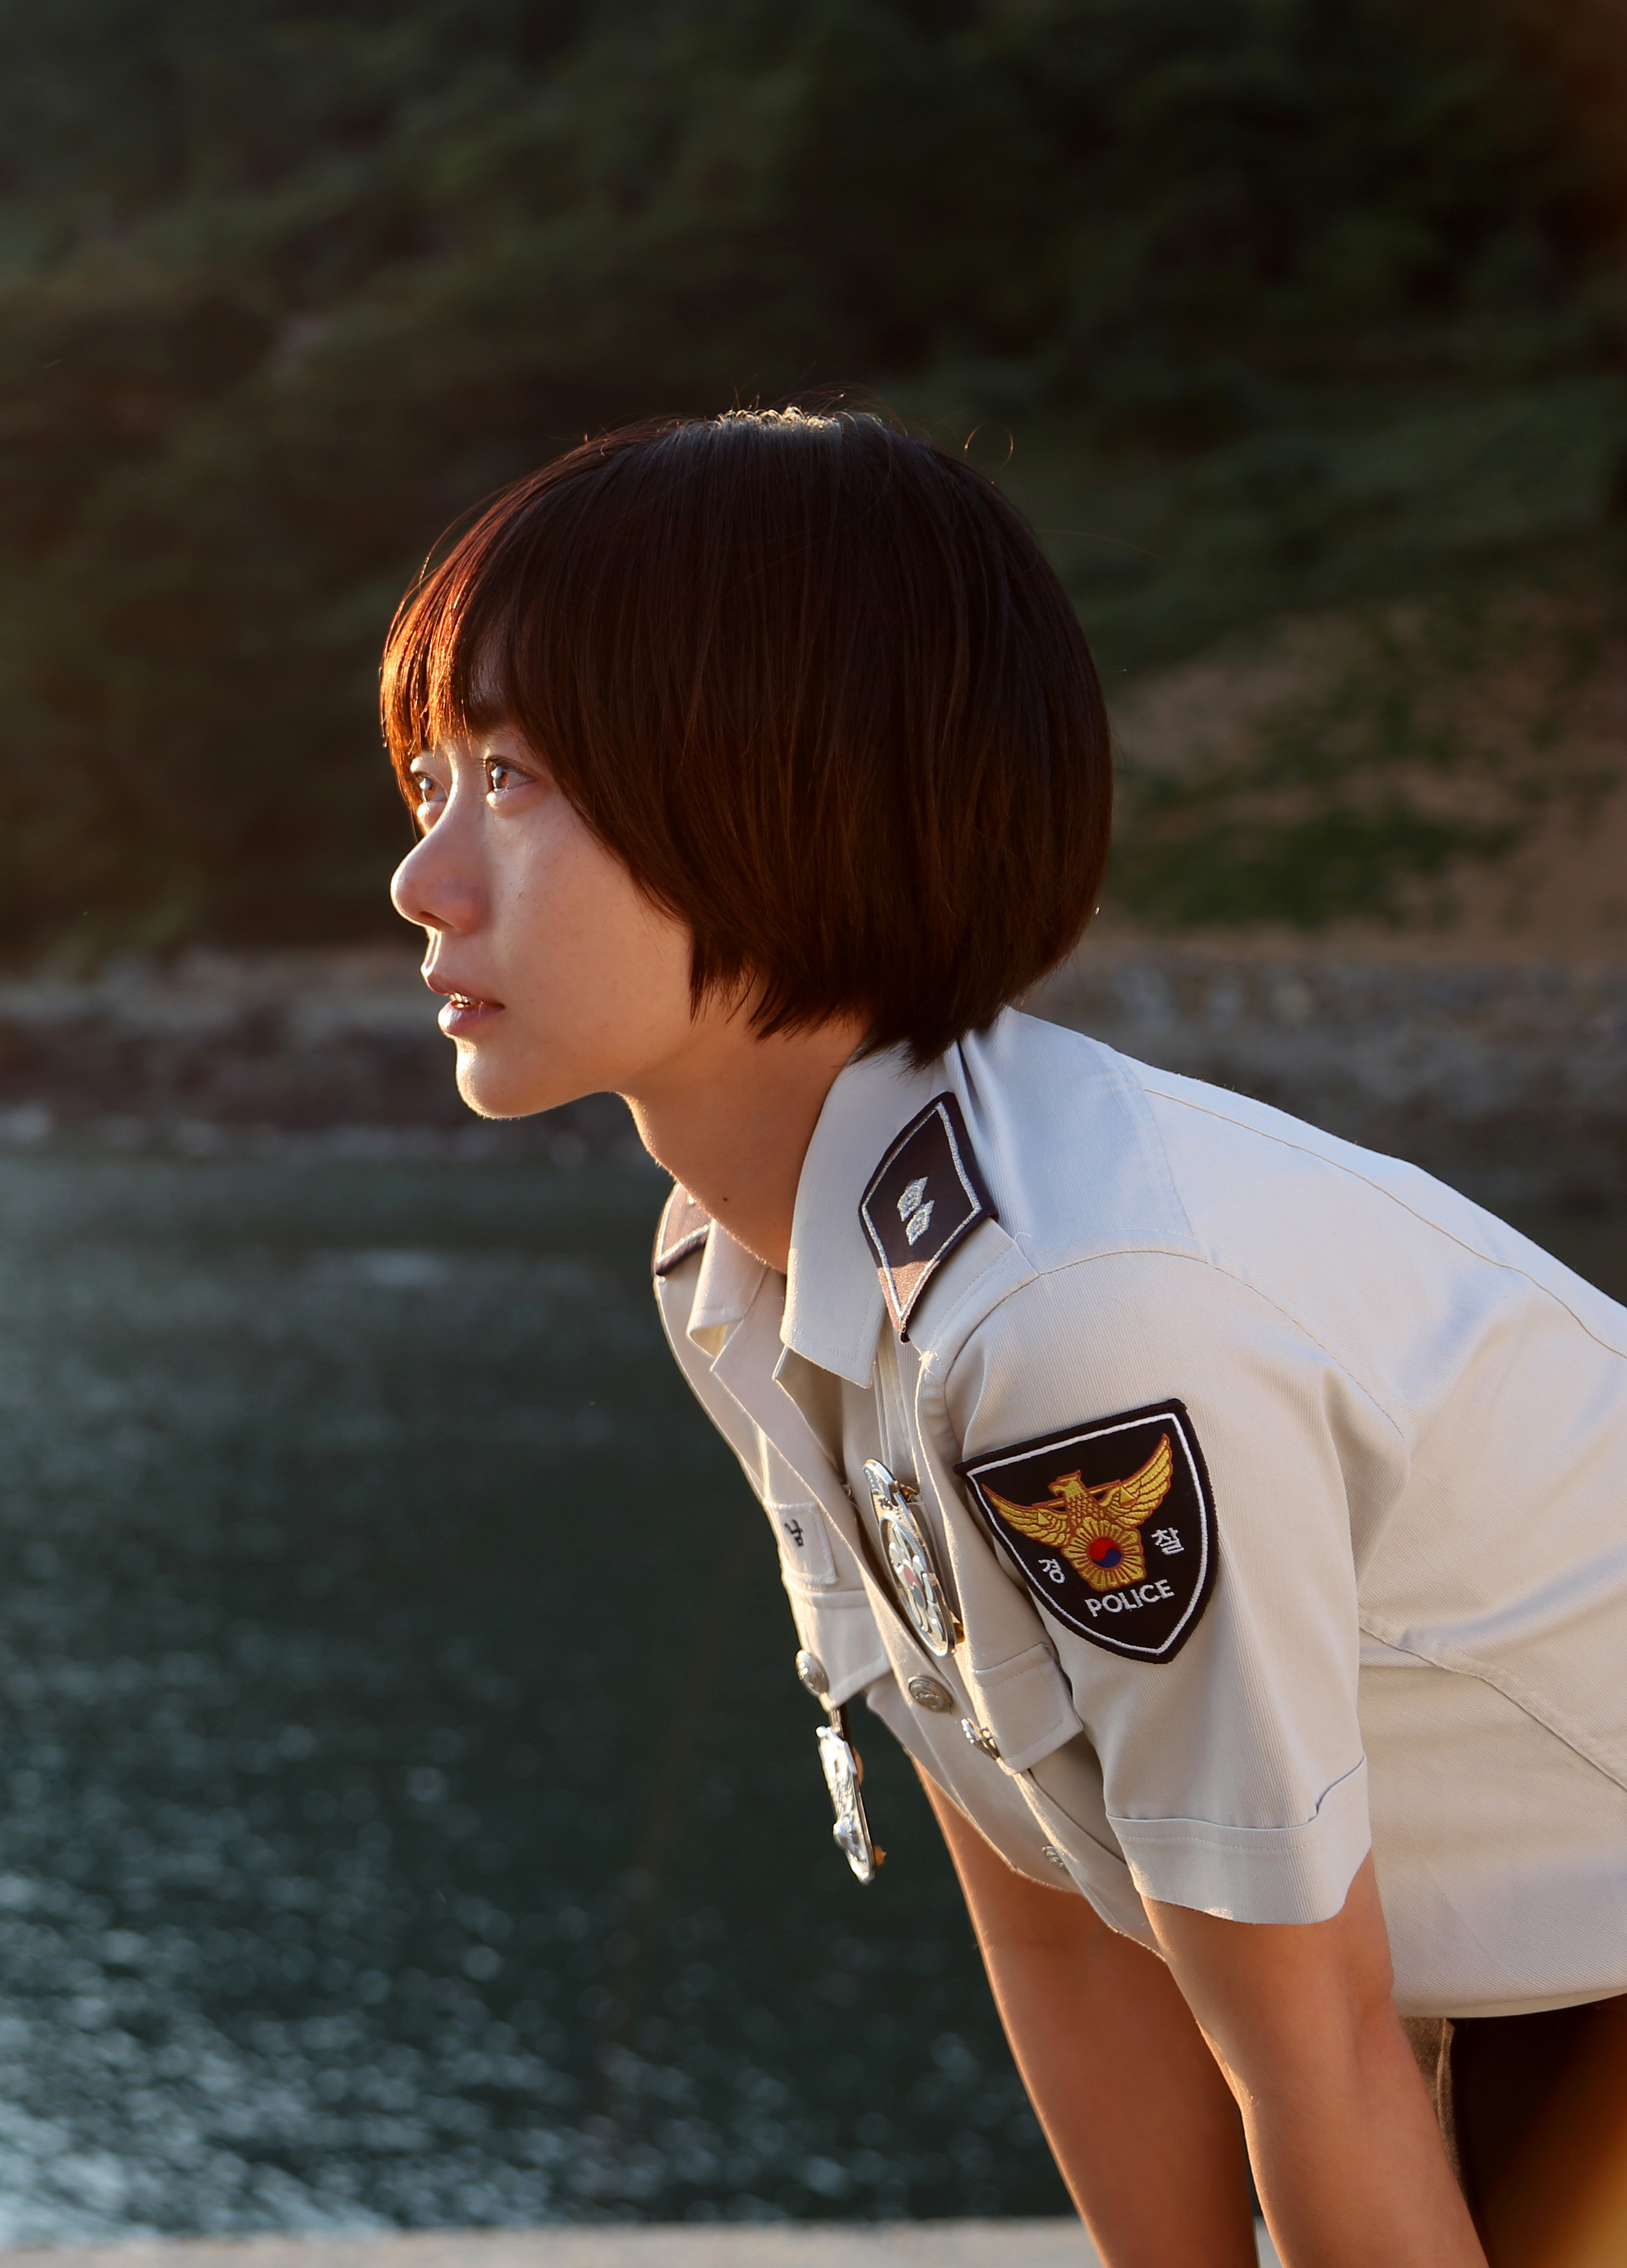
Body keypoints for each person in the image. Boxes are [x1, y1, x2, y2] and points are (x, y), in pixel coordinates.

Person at [379, 407, 1627, 2266]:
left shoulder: (1075, 1323)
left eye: (513, 777)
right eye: (430, 784)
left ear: (797, 790)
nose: (425, 880)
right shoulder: (752, 1268)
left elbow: (1310, 2048)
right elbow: (1057, 1890)